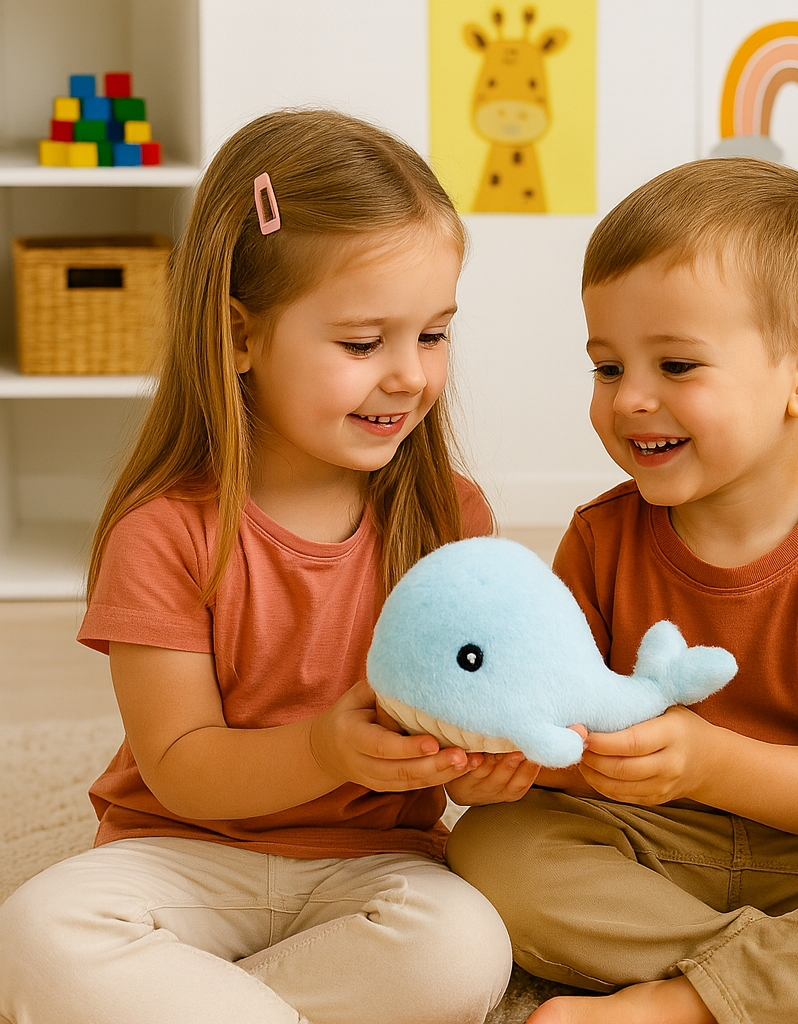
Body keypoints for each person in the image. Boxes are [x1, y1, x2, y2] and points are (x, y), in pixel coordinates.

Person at [444, 158, 798, 1024]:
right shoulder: (598, 537)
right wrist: (507, 758)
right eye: (608, 368)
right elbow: (558, 738)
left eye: (676, 365)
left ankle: (683, 1006)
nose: (629, 400)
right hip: (653, 846)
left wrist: (709, 760)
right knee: (490, 847)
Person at [0, 108, 511, 1024]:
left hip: (371, 865)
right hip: (181, 854)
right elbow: (182, 767)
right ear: (239, 336)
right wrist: (324, 747)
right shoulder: (162, 533)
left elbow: (470, 722)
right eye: (363, 343)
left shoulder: (450, 516)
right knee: (35, 933)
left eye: (433, 335)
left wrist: (483, 766)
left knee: (465, 946)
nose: (408, 375)